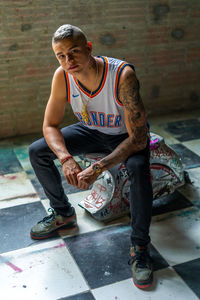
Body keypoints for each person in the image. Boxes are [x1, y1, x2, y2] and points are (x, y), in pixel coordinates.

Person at [29, 24, 153, 289]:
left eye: (73, 52)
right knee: (38, 151)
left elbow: (139, 138)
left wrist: (98, 167)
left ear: (89, 47)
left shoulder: (122, 75)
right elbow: (50, 125)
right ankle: (63, 214)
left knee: (139, 168)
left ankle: (140, 246)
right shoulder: (63, 76)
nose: (68, 61)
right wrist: (65, 158)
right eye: (60, 55)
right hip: (92, 130)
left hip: (126, 135)